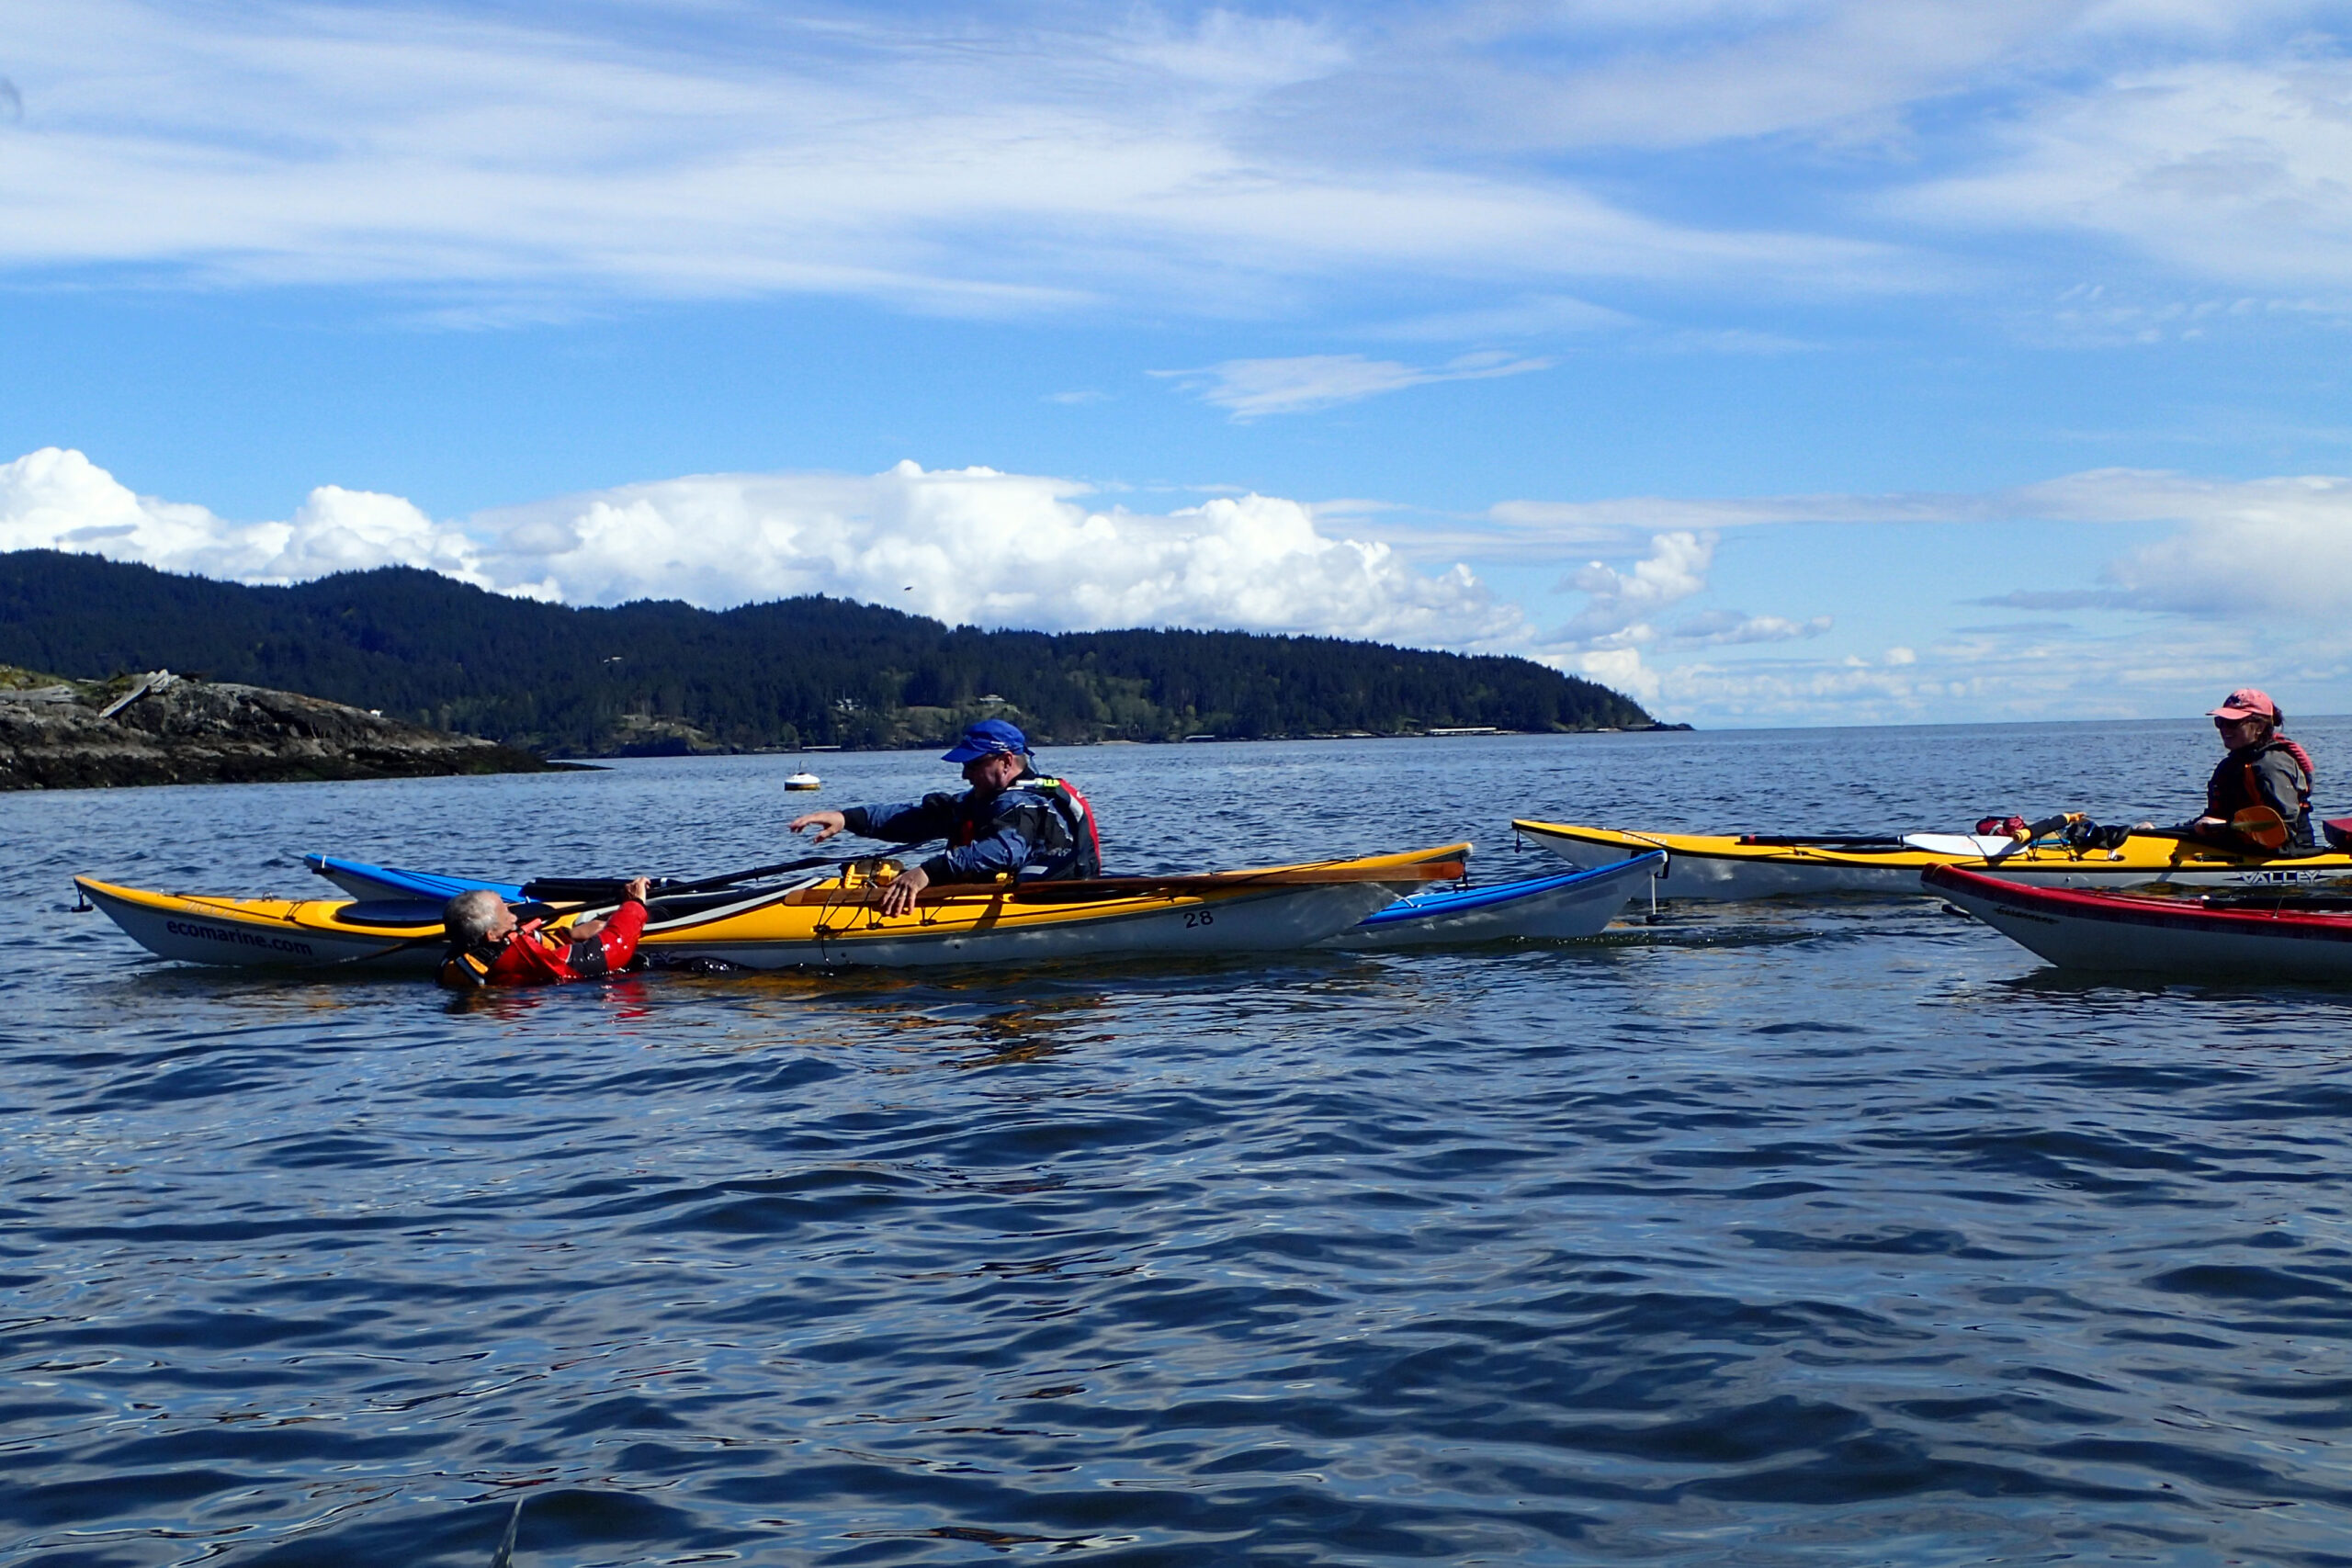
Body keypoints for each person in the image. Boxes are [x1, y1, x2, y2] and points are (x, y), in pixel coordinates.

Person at [788, 718, 1101, 917]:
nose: (965, 775)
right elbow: (915, 819)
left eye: (973, 765)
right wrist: (847, 818)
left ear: (1006, 761)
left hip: (1050, 903)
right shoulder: (986, 799)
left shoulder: (1024, 804)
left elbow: (1003, 852)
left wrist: (927, 872)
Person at [2143, 689, 2315, 849]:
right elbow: (2212, 818)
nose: (2224, 729)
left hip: (2286, 851)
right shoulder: (2230, 765)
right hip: (2241, 844)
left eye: (2233, 723)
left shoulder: (2272, 764)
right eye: (2221, 722)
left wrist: (2225, 827)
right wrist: (2158, 833)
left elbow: (2284, 828)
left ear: (2260, 727)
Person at [439, 876, 653, 987]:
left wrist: (569, 936)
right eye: (507, 914)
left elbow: (537, 952)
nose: (515, 918)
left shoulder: (457, 959)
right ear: (492, 936)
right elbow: (605, 956)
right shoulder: (514, 956)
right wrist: (634, 904)